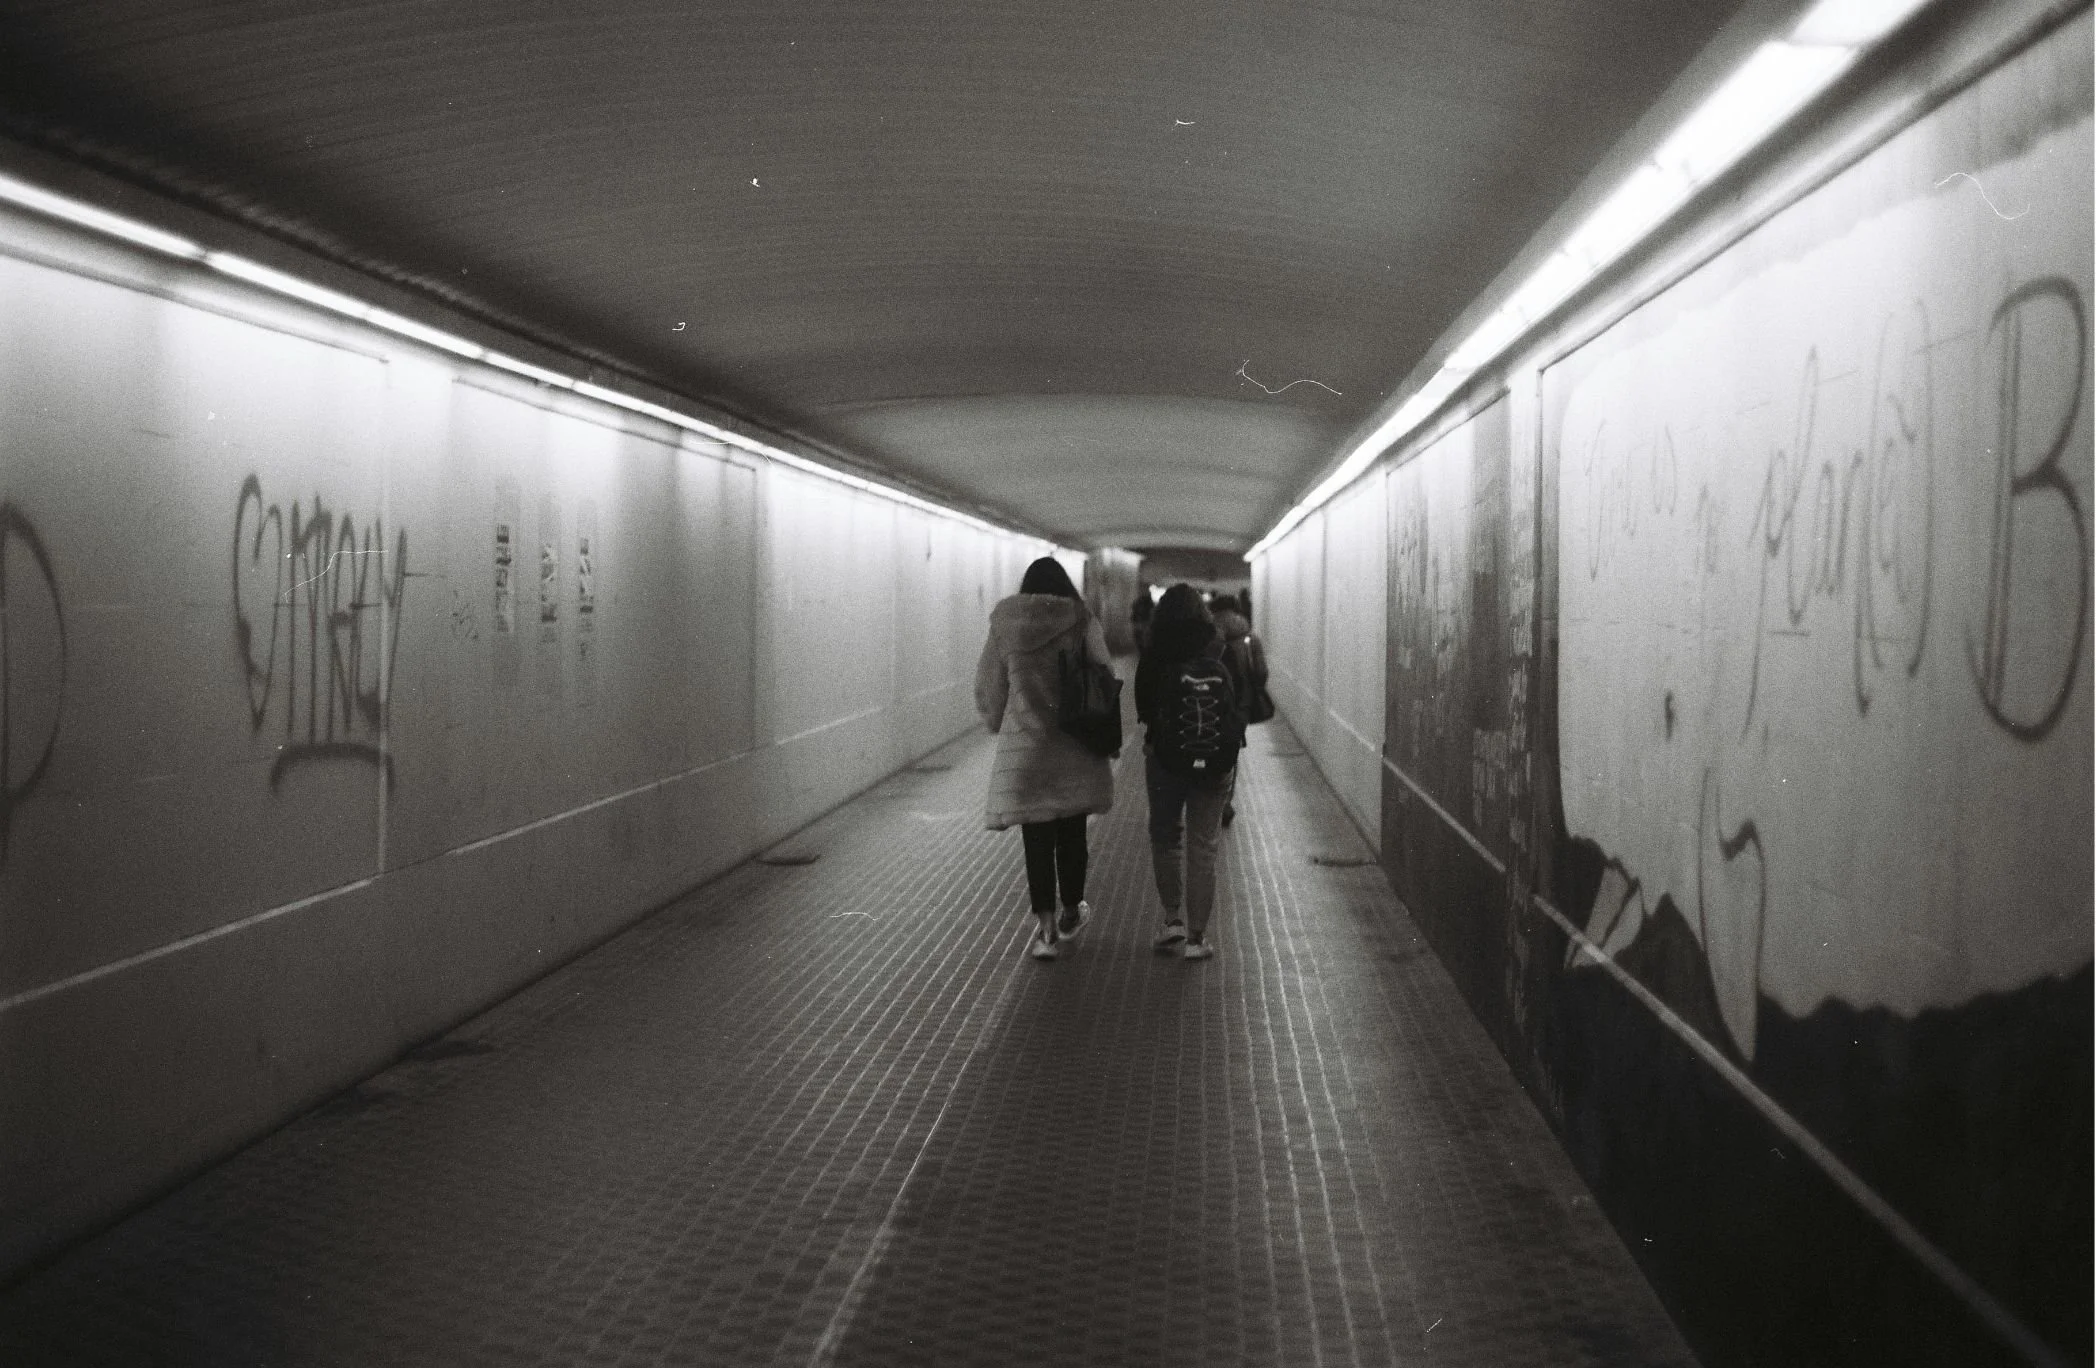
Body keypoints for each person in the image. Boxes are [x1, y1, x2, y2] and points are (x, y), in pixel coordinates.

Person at [975, 557, 1117, 961]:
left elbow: (988, 684)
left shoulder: (1005, 623)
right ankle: (1072, 909)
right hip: (1072, 745)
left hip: (1026, 752)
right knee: (1071, 833)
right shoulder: (1080, 618)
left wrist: (997, 719)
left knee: (1036, 840)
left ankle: (1046, 928)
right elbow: (1104, 669)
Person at [1135, 584, 1243, 961]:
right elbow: (1235, 699)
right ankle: (1198, 939)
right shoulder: (1217, 644)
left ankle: (1172, 922)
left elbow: (1142, 704)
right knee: (1204, 845)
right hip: (1213, 760)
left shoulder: (1155, 645)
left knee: (1166, 837)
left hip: (1164, 759)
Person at [1210, 594, 1269, 827]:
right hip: (1240, 702)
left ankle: (1207, 796)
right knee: (1231, 748)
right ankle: (1225, 802)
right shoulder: (1248, 635)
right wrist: (1254, 691)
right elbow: (1261, 671)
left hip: (1212, 697)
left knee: (1207, 738)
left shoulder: (1207, 630)